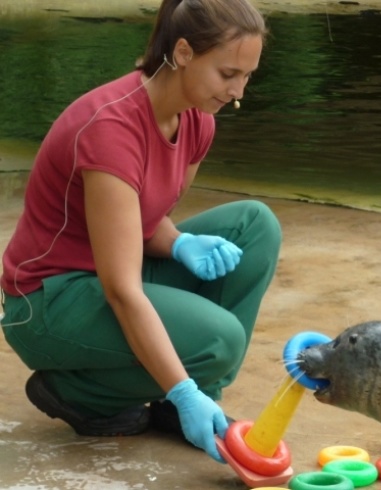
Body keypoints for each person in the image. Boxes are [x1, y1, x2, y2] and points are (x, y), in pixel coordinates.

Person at [0, 0, 279, 464]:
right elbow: (122, 290)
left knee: (254, 225)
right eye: (228, 73)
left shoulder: (197, 121)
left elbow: (144, 220)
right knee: (220, 340)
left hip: (102, 275)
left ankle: (181, 404)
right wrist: (182, 387)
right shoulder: (111, 129)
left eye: (247, 76)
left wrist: (179, 241)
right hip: (47, 300)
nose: (238, 92)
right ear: (185, 52)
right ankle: (81, 392)